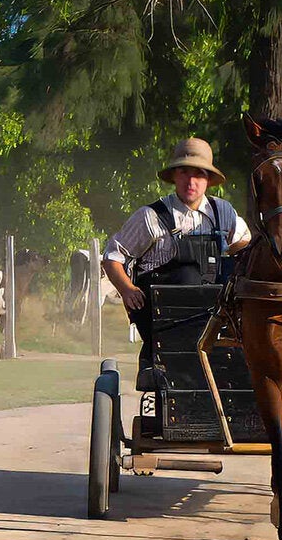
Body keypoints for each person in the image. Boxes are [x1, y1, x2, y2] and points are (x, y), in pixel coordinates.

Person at [102, 138, 251, 380]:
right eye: (184, 173)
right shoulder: (150, 217)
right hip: (163, 318)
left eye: (199, 174)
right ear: (174, 177)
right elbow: (112, 257)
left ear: (208, 181)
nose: (191, 182)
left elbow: (245, 246)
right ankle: (152, 357)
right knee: (187, 276)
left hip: (213, 317)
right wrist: (127, 288)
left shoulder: (223, 213)